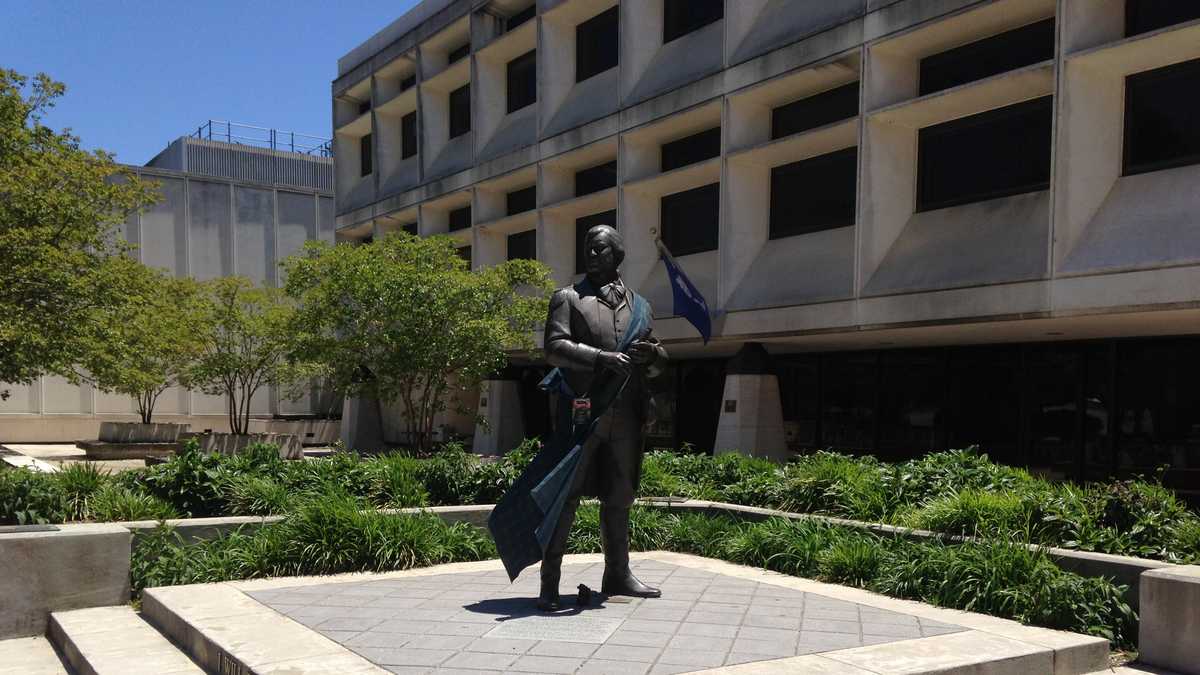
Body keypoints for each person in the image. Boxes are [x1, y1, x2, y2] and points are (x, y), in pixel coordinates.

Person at [535, 224, 668, 611]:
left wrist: (654, 357)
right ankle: (550, 583)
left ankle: (618, 574)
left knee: (620, 496)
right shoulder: (568, 298)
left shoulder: (641, 305)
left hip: (627, 414)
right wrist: (601, 358)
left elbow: (657, 359)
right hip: (583, 413)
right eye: (588, 250)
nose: (591, 256)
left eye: (599, 250)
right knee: (565, 498)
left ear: (617, 254)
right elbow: (554, 347)